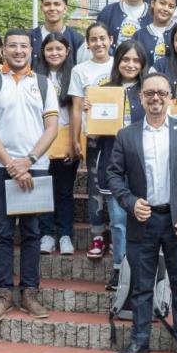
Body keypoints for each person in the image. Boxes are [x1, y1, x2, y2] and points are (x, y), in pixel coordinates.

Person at [106, 72, 177, 353]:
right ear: (140, 98)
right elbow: (113, 176)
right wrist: (129, 202)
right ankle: (139, 341)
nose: (155, 98)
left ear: (170, 98)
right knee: (141, 284)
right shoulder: (127, 135)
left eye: (161, 93)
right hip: (143, 220)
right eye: (149, 93)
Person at [0, 28, 59, 322]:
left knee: (33, 231)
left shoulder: (45, 84)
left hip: (35, 165)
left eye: (24, 46)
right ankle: (4, 293)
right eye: (12, 46)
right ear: (3, 50)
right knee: (2, 231)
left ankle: (29, 292)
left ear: (31, 50)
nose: (18, 51)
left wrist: (29, 160)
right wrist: (12, 164)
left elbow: (52, 128)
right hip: (0, 166)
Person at [92, 40, 147, 290]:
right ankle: (119, 269)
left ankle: (140, 270)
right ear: (118, 61)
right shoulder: (103, 90)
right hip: (112, 164)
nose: (131, 64)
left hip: (144, 166)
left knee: (143, 219)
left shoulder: (149, 91)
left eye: (136, 60)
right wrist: (89, 114)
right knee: (117, 220)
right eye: (126, 59)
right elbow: (92, 135)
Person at [68, 22, 114, 259]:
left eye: (102, 38)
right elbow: (76, 108)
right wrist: (75, 138)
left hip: (120, 138)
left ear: (111, 40)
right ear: (88, 43)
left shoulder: (121, 64)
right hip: (94, 137)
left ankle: (116, 234)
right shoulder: (80, 70)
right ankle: (97, 235)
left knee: (119, 185)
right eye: (93, 39)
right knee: (95, 185)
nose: (98, 43)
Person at [34, 33, 79, 255]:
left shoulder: (74, 74)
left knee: (64, 191)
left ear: (67, 51)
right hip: (40, 139)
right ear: (43, 52)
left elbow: (76, 110)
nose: (54, 53)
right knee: (43, 190)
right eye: (49, 49)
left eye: (59, 49)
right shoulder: (34, 76)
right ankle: (46, 234)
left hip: (66, 139)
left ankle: (65, 235)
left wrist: (74, 142)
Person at [30, 0, 85, 65]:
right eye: (47, 4)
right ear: (41, 8)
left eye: (57, 4)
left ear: (65, 9)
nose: (52, 8)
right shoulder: (29, 38)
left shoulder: (78, 40)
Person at [134, 0, 177, 70]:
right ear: (153, 3)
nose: (165, 9)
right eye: (162, 3)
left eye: (171, 6)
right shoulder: (139, 35)